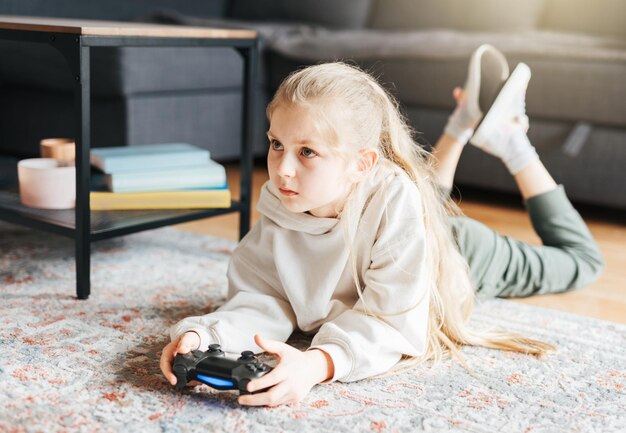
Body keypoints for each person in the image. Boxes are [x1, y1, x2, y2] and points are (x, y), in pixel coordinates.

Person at [160, 61, 604, 407]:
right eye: (277, 144)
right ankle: (463, 120)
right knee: (415, 195)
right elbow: (265, 296)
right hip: (392, 223)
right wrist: (206, 335)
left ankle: (511, 141)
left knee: (582, 262)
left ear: (362, 163)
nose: (282, 169)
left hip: (459, 252)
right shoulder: (287, 196)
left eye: (307, 151)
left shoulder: (393, 198)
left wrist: (317, 363)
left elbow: (391, 319)